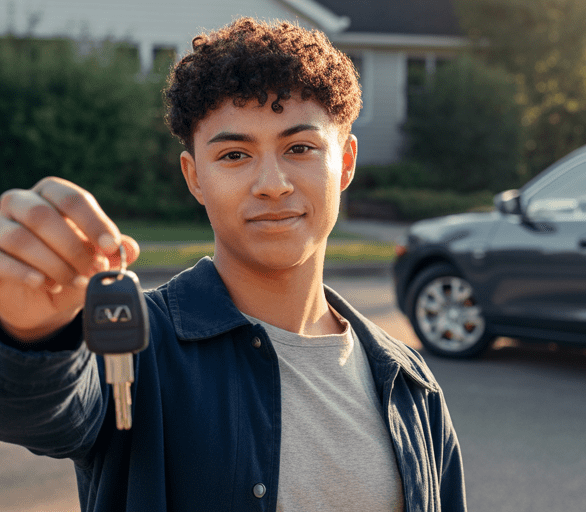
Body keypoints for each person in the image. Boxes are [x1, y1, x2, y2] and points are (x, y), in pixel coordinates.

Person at [0, 17, 466, 512]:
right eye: (235, 154)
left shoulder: (411, 386)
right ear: (194, 176)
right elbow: (46, 409)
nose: (272, 182)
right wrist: (33, 328)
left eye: (300, 148)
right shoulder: (135, 349)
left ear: (346, 161)